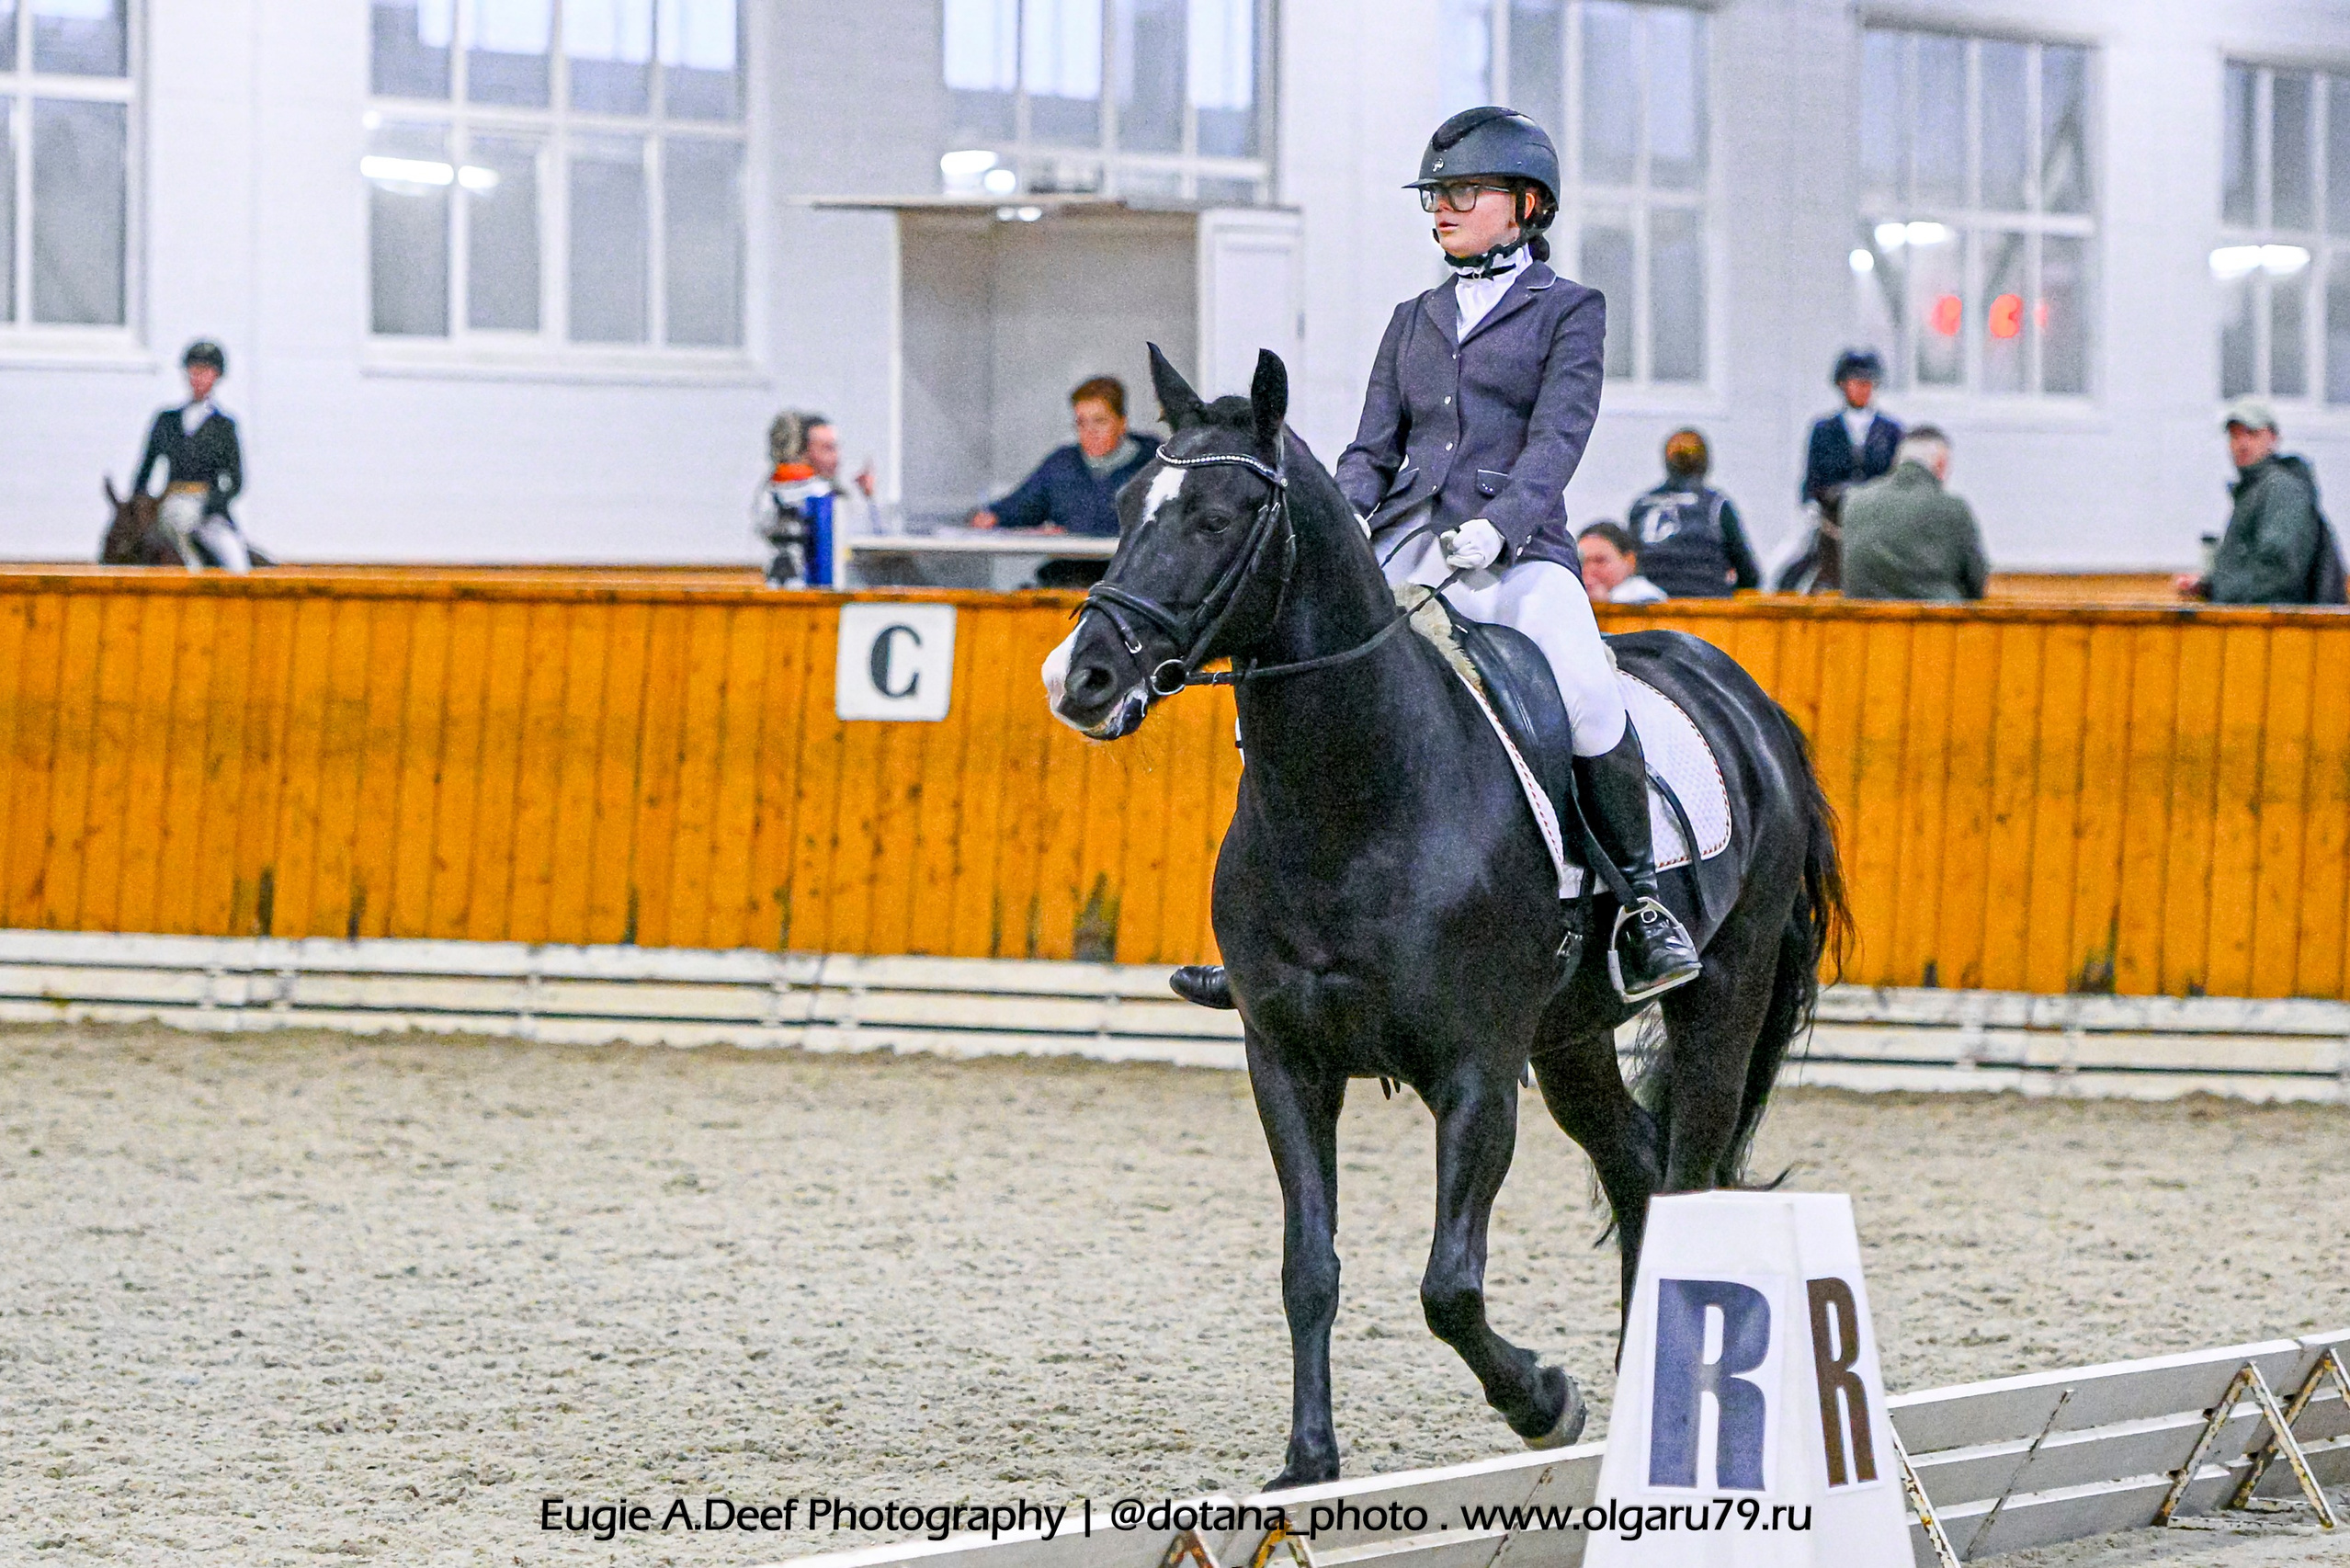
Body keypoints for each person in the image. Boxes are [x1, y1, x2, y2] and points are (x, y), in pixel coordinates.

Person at [1173, 106, 1699, 1012]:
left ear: (1526, 204)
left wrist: (1500, 524)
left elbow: (1558, 436)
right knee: (1293, 683)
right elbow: (1373, 447)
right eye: (1436, 196)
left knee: (1582, 687)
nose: (1441, 210)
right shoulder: (1412, 319)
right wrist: (1338, 520)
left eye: (1462, 192)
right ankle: (1274, 925)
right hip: (1405, 544)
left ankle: (1640, 905)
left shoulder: (1570, 310)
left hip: (1516, 551)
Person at [972, 376, 1160, 588]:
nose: (1090, 432)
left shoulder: (1154, 464)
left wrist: (1074, 531)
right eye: (1081, 423)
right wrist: (990, 516)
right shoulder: (1063, 464)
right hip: (1069, 582)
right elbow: (1021, 505)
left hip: (1131, 586)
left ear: (1122, 423)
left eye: (1099, 421)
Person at [2175, 398, 2344, 606]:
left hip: (2276, 628)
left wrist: (2220, 588)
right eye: (2235, 435)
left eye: (2252, 434)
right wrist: (2209, 584)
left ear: (2274, 438)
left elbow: (2279, 573)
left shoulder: (2281, 489)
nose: (2242, 444)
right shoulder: (2256, 490)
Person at [1780, 349, 1903, 591]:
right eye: (1856, 383)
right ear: (1843, 385)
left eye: (1868, 383)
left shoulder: (1891, 432)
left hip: (1875, 522)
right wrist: (1812, 507)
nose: (1862, 389)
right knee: (1789, 568)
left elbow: (1895, 478)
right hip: (1831, 521)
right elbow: (1812, 477)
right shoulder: (1823, 429)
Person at [132, 340, 249, 572]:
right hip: (169, 504)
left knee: (237, 563)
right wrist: (141, 507)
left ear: (216, 377)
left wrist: (208, 505)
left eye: (205, 372)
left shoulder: (224, 426)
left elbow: (235, 481)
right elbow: (144, 472)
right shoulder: (166, 420)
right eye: (194, 371)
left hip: (206, 511)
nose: (198, 378)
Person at [1838, 426, 1990, 602]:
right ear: (1941, 463)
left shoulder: (1855, 502)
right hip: (1939, 624)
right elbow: (1976, 581)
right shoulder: (1952, 508)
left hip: (1859, 625)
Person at [1625, 427, 1760, 597]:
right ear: (1705, 463)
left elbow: (1629, 564)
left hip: (1652, 606)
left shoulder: (1642, 505)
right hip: (1707, 608)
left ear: (1666, 462)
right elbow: (1749, 575)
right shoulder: (1716, 505)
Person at [757, 410, 871, 586]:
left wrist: (866, 497)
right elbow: (763, 524)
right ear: (804, 452)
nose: (836, 457)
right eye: (827, 448)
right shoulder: (781, 490)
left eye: (836, 447)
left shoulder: (832, 493)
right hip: (789, 588)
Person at [1577, 521, 1667, 604]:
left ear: (1630, 561)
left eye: (1600, 561)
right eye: (1582, 562)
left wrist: (1604, 602)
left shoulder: (1645, 594)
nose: (1589, 569)